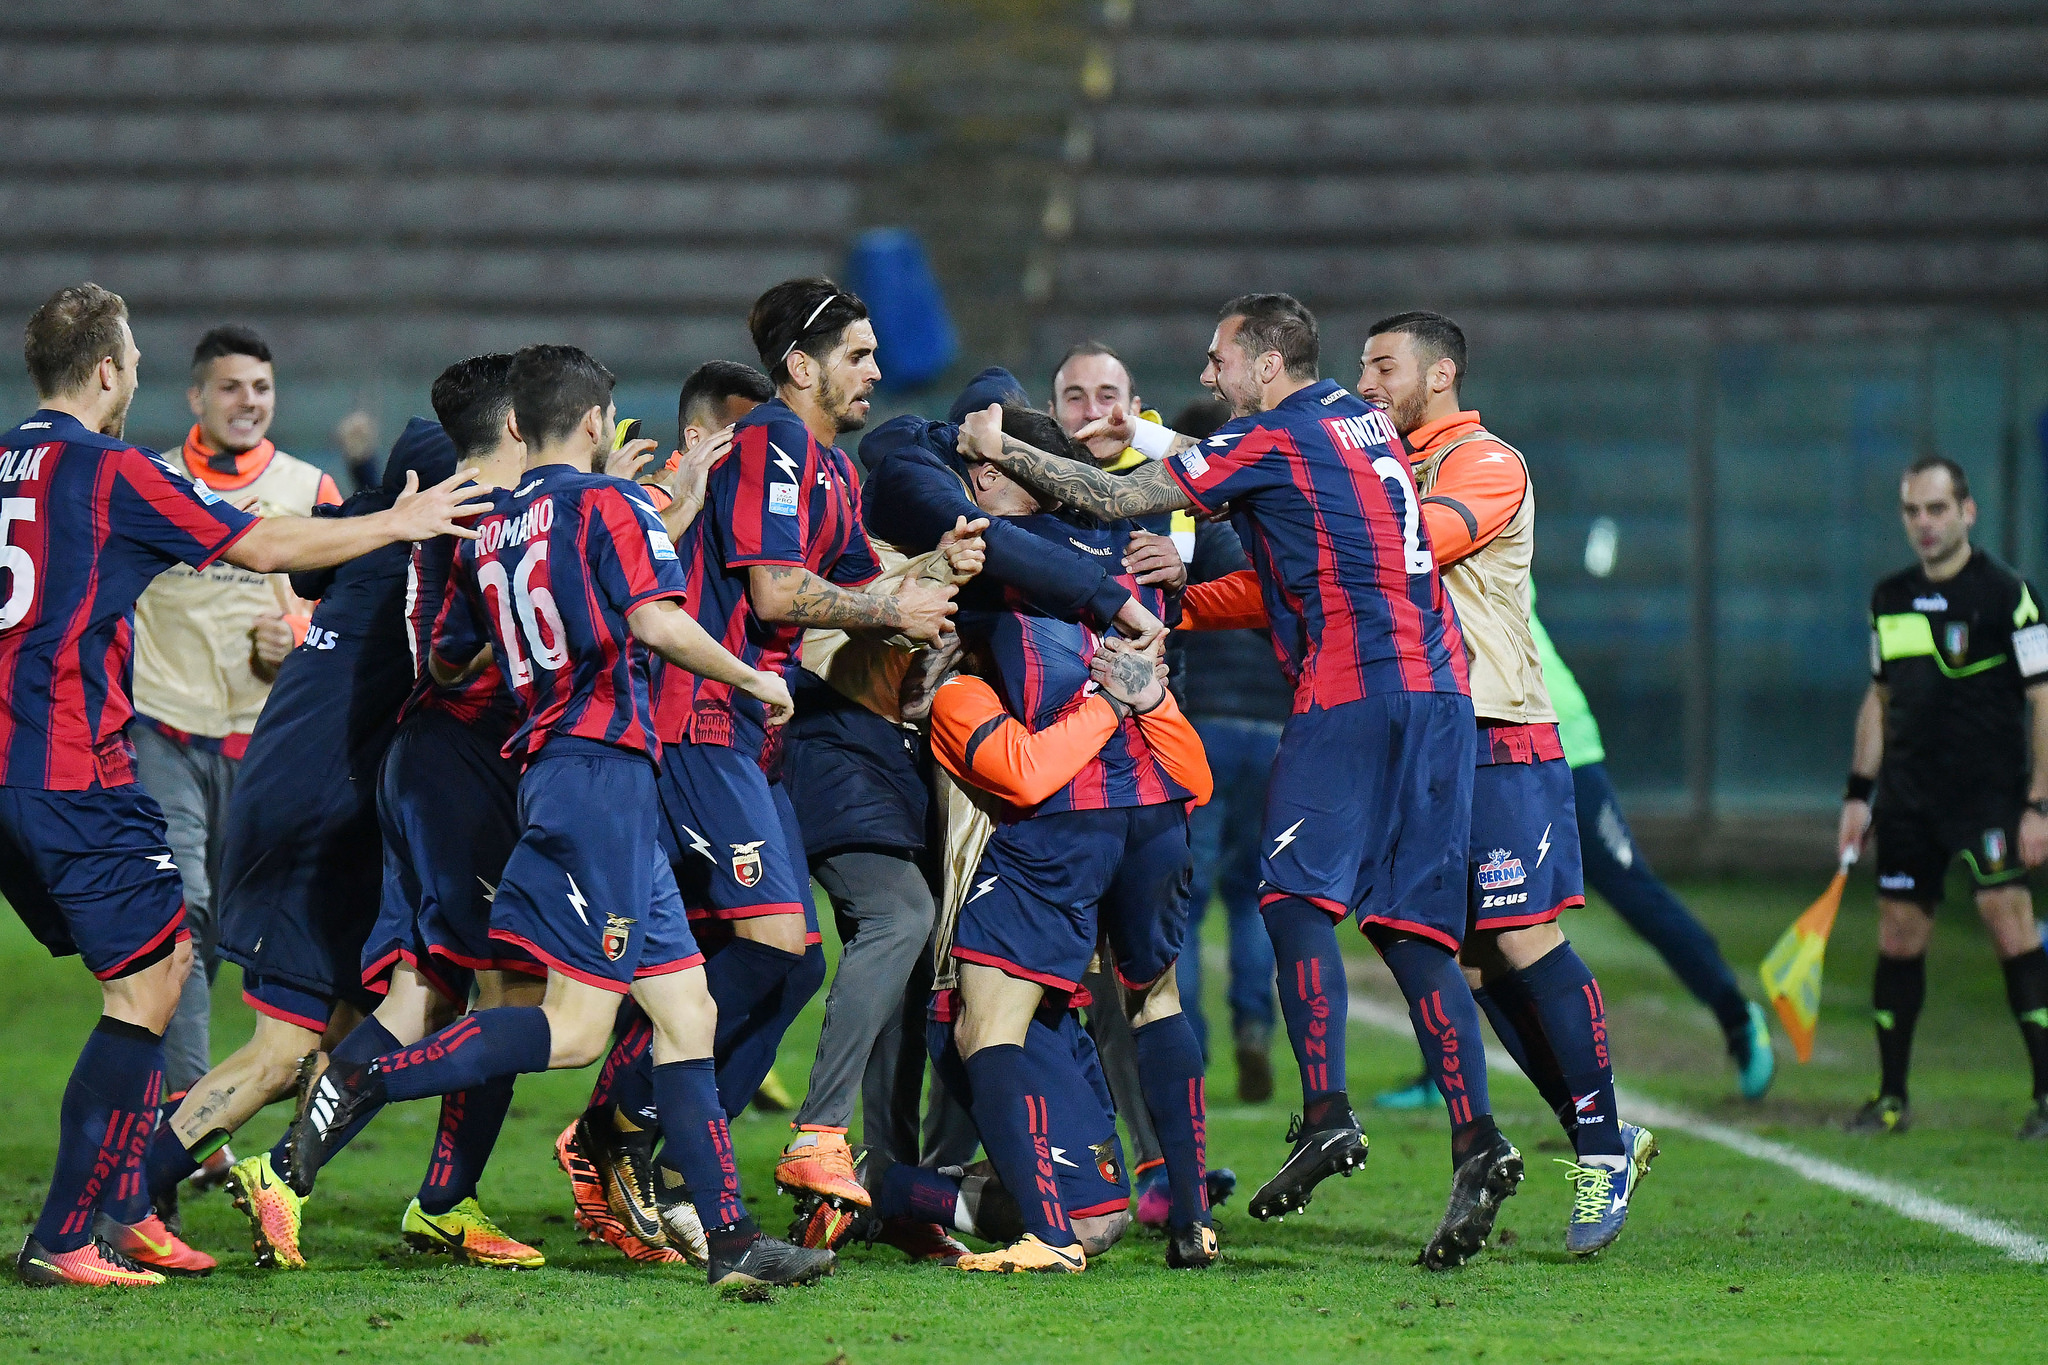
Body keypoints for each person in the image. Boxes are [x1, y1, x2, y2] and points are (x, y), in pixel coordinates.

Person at [235, 343, 831, 1289]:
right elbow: (653, 619)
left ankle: (730, 1241)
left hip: (572, 774)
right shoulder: (609, 504)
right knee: (575, 1031)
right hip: (597, 780)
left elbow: (451, 658)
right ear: (595, 423)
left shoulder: (496, 526)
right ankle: (362, 1077)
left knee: (689, 1009)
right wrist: (751, 671)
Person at [960, 293, 1514, 1270]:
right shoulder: (1358, 419)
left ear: (1265, 366)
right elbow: (1300, 560)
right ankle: (1476, 1140)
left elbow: (1113, 497)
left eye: (1219, 361)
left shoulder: (1276, 435)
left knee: (1290, 903)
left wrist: (998, 450)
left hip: (1351, 689)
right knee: (1407, 928)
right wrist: (1183, 600)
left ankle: (1325, 1117)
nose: (1209, 376)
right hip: (1436, 691)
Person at [0, 282, 486, 1287]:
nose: (133, 376)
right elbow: (265, 543)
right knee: (146, 986)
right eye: (130, 362)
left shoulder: (9, 459)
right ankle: (63, 1237)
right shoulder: (108, 467)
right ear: (106, 371)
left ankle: (130, 1206)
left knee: (169, 962)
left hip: (32, 761)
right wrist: (406, 521)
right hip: (70, 762)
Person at [139, 414, 471, 1264]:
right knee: (284, 1051)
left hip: (334, 814)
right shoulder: (409, 566)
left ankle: (282, 1179)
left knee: (383, 1023)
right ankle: (125, 1195)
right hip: (309, 818)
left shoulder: (372, 545)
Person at [1355, 310, 1652, 1256]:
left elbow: (1411, 543)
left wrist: (1329, 475)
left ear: (1438, 375)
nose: (1366, 385)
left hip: (1502, 730)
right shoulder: (1398, 467)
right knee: (1477, 963)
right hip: (1434, 742)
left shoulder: (1487, 461)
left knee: (1526, 934)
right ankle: (1601, 1135)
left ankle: (1603, 1148)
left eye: (1382, 367)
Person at [937, 430, 1216, 1272]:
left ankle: (1049, 1235)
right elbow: (1189, 760)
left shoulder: (994, 563)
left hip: (1066, 814)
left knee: (985, 1019)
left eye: (976, 468)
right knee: (1155, 998)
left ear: (994, 474)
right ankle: (1193, 1220)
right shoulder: (1121, 563)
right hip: (1157, 810)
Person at [1379, 586, 1777, 1109]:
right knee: (1463, 907)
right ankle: (1444, 1067)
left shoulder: (1467, 518)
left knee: (1633, 893)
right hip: (1478, 741)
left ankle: (1736, 1017)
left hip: (1555, 739)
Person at [129, 325, 342, 1111]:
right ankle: (186, 1098)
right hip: (163, 732)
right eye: (230, 387)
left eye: (260, 388)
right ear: (196, 396)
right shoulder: (149, 483)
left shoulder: (309, 488)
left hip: (264, 749)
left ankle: (188, 1086)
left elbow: (342, 615)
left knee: (225, 929)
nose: (247, 401)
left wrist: (288, 637)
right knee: (180, 911)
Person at [1838, 455, 2048, 1140]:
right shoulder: (1888, 596)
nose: (1924, 524)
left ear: (1968, 511)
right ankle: (1890, 1097)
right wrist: (1858, 794)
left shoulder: (2010, 595)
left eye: (1936, 509)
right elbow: (1879, 698)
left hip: (1988, 796)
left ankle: (2046, 1096)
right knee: (1898, 937)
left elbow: (2044, 701)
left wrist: (2039, 803)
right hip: (1908, 799)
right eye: (1912, 511)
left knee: (2008, 921)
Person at [1159, 396, 1284, 1105]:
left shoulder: (1190, 518)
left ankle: (1193, 1047)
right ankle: (1254, 1032)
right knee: (1250, 897)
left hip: (1204, 723)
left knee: (1186, 895)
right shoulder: (1279, 516)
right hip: (1272, 726)